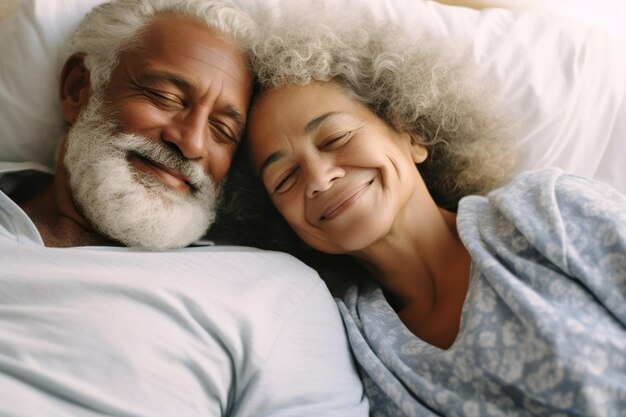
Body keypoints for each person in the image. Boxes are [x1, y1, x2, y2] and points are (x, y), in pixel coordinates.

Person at [232, 10, 626, 417]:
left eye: (335, 137)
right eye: (284, 178)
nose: (317, 178)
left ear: (412, 133)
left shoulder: (548, 209)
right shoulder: (349, 340)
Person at [0, 1, 369, 415]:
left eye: (222, 131)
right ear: (78, 89)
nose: (191, 143)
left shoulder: (273, 294)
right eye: (165, 96)